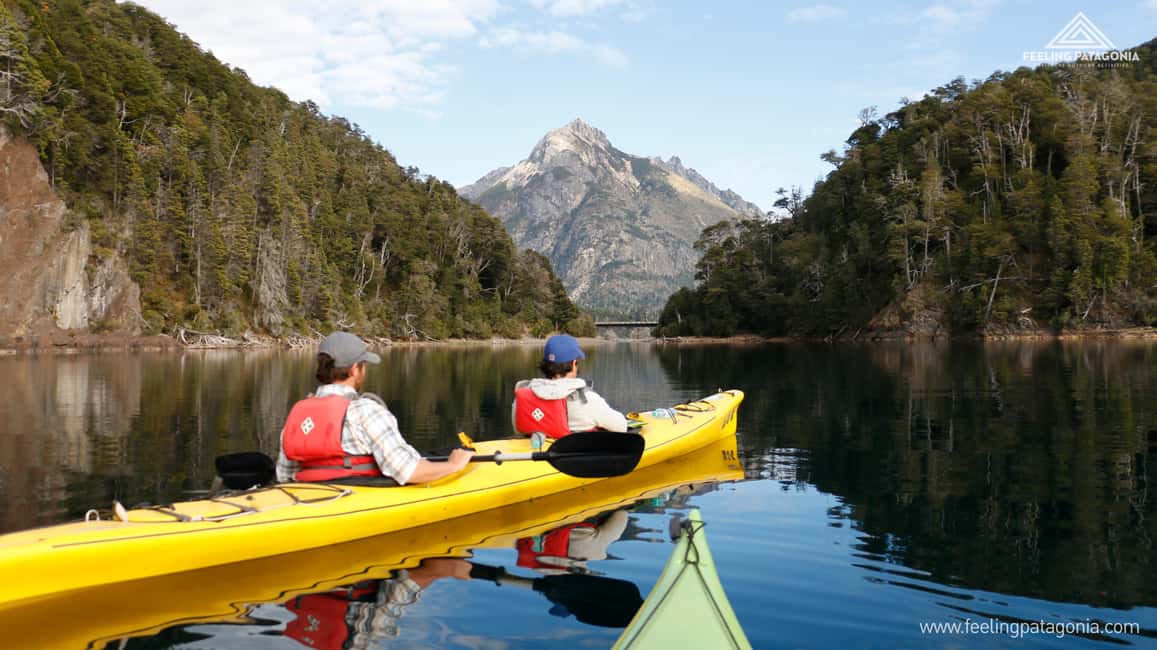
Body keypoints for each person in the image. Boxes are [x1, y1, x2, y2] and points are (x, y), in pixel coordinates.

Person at [276, 332, 473, 484]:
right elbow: (408, 471)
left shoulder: (298, 413)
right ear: (355, 369)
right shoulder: (366, 411)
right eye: (363, 366)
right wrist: (453, 465)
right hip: (356, 502)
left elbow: (284, 476)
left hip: (307, 500)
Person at [511, 334, 628, 437]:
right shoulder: (587, 399)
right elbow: (621, 426)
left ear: (546, 365)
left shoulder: (523, 397)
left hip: (538, 450)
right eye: (577, 362)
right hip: (574, 452)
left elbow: (518, 429)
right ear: (573, 363)